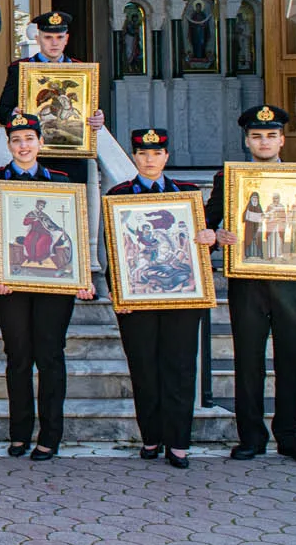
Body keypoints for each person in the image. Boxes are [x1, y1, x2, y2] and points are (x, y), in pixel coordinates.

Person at [206, 105, 296, 466]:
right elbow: (207, 222)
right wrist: (217, 236)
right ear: (246, 140)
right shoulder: (229, 178)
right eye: (256, 136)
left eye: (270, 136)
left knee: (290, 361)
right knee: (248, 362)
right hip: (247, 284)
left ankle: (290, 438)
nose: (263, 142)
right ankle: (251, 437)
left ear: (282, 139)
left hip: (291, 282)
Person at [0, 112, 97, 461]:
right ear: (9, 146)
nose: (24, 146)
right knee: (17, 357)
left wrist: (78, 273)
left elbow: (74, 230)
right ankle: (19, 434)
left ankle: (50, 435)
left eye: (30, 139)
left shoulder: (62, 179)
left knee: (50, 356)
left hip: (53, 285)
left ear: (41, 143)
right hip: (10, 285)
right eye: (16, 140)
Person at [105, 128, 217, 469]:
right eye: (142, 153)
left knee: (180, 367)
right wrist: (117, 290)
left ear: (166, 156)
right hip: (137, 295)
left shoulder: (188, 195)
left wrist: (209, 237)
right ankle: (151, 437)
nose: (149, 159)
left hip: (182, 295)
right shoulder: (119, 194)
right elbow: (112, 249)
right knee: (144, 367)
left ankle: (179, 441)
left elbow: (203, 238)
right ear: (135, 156)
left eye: (156, 153)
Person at [0, 10, 104, 185]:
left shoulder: (81, 70)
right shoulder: (20, 69)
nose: (54, 43)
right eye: (48, 37)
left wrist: (98, 118)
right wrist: (13, 115)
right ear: (38, 39)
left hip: (73, 156)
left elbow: (90, 109)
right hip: (36, 158)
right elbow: (1, 112)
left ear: (67, 39)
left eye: (59, 37)